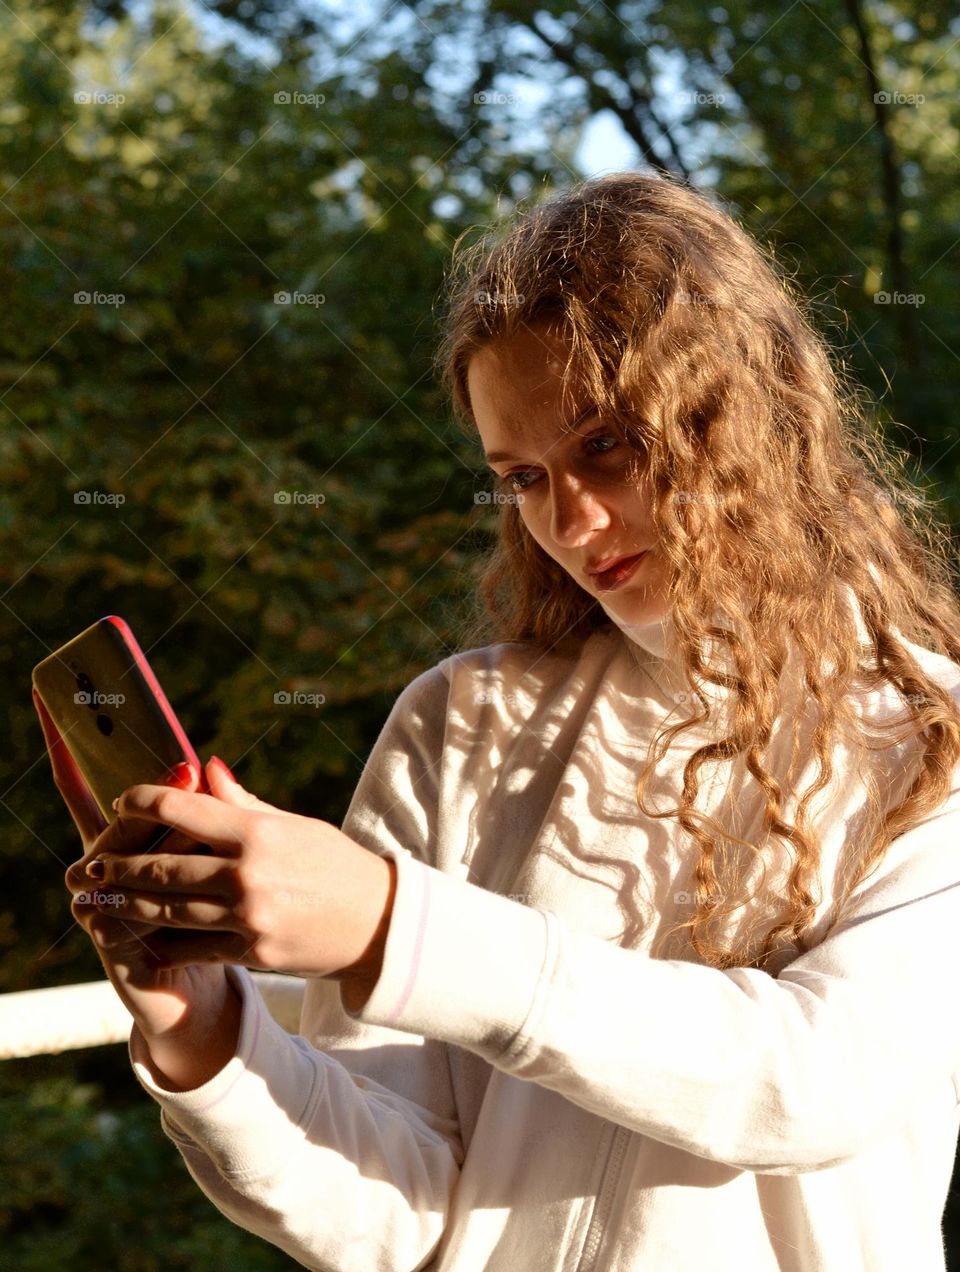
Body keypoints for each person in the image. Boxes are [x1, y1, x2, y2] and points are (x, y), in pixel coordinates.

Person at [34, 170, 960, 1270]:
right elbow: (402, 1212)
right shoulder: (461, 721)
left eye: (607, 445)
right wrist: (207, 1035)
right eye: (522, 476)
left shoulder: (929, 732)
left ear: (741, 416)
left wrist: (397, 928)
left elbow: (812, 1083)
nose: (569, 520)